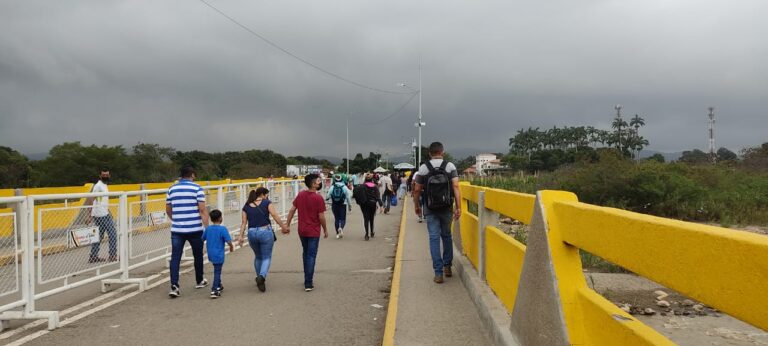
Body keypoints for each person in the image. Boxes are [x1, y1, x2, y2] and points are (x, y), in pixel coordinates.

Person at [413, 142, 462, 284]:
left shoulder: (423, 168)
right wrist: (458, 207)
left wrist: (417, 206)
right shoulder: (450, 166)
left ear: (430, 153)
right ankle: (447, 266)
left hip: (430, 208)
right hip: (446, 206)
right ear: (443, 152)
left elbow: (417, 190)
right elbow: (456, 186)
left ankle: (438, 273)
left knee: (434, 238)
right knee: (446, 236)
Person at [166, 166, 209, 298]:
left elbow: (168, 209)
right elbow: (202, 210)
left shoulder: (171, 189)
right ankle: (199, 280)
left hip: (177, 229)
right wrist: (207, 227)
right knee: (198, 255)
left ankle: (174, 286)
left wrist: (177, 220)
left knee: (175, 257)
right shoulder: (197, 188)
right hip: (195, 228)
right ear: (192, 175)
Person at [238, 187, 289, 292]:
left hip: (251, 233)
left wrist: (240, 236)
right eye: (267, 195)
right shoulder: (267, 203)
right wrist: (283, 226)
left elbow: (243, 223)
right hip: (265, 231)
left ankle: (259, 279)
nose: (267, 197)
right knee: (266, 257)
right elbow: (274, 215)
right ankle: (261, 276)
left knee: (258, 257)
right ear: (262, 194)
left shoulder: (246, 206)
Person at [284, 174, 328, 292]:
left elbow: (292, 210)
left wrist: (287, 225)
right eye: (318, 182)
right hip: (313, 231)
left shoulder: (301, 195)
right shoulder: (318, 198)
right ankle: (308, 282)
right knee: (311, 255)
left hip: (302, 230)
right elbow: (321, 217)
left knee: (306, 253)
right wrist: (325, 229)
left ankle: (306, 277)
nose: (319, 183)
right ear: (313, 184)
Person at [85, 169, 118, 263]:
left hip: (104, 213)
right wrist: (89, 215)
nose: (105, 176)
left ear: (109, 175)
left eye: (107, 175)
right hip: (101, 215)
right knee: (113, 234)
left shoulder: (104, 185)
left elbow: (101, 200)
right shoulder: (98, 186)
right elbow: (91, 199)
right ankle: (112, 255)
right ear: (100, 176)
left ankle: (93, 256)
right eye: (103, 175)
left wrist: (108, 210)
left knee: (98, 236)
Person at [202, 209, 233, 299]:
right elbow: (228, 241)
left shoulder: (208, 229)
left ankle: (219, 284)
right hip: (219, 254)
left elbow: (202, 239)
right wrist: (231, 246)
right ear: (220, 218)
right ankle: (214, 289)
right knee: (217, 271)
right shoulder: (222, 229)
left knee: (217, 268)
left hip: (210, 254)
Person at [353, 173, 383, 241]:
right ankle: (372, 232)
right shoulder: (375, 186)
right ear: (372, 179)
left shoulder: (361, 186)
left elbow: (355, 194)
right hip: (372, 204)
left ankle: (366, 234)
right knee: (371, 218)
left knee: (366, 219)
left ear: (365, 179)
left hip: (364, 204)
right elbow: (378, 197)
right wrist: (381, 206)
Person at [325, 174, 352, 239]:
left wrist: (327, 199)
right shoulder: (344, 187)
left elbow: (327, 196)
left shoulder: (332, 187)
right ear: (342, 179)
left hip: (334, 204)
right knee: (343, 219)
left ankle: (337, 233)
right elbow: (348, 197)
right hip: (343, 204)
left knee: (336, 219)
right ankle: (341, 228)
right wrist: (349, 206)